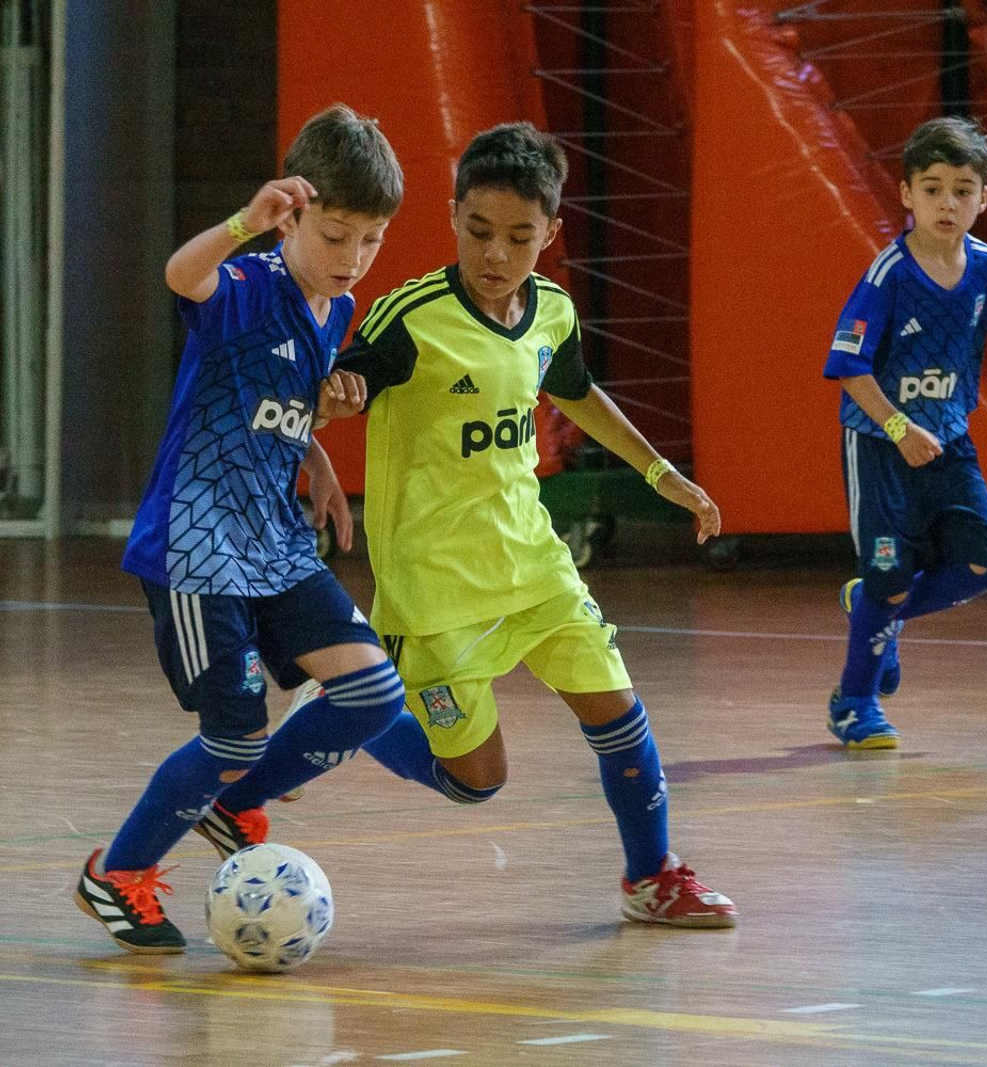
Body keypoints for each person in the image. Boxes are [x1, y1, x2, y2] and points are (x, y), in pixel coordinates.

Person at [205, 122, 738, 929]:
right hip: (436, 589)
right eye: (480, 232)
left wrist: (663, 474)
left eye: (520, 238)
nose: (497, 255)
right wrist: (333, 401)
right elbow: (324, 385)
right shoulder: (408, 317)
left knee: (619, 714)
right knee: (475, 781)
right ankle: (349, 712)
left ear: (550, 235)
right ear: (453, 217)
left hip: (534, 565)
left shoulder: (551, 311)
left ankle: (651, 875)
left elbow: (578, 392)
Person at [74, 104, 408, 954]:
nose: (353, 259)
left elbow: (281, 402)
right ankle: (116, 869)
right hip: (199, 547)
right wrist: (237, 225)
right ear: (291, 214)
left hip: (275, 537)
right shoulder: (249, 284)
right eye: (336, 236)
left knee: (372, 690)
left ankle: (229, 801)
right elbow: (181, 276)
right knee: (232, 731)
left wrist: (320, 457)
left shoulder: (337, 308)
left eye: (370, 241)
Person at [822, 116, 987, 749]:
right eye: (932, 188)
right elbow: (848, 369)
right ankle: (855, 705)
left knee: (983, 562)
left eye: (964, 189)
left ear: (983, 199)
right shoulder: (889, 275)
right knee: (889, 573)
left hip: (949, 442)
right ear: (907, 195)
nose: (948, 202)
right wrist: (900, 426)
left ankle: (875, 611)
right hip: (882, 445)